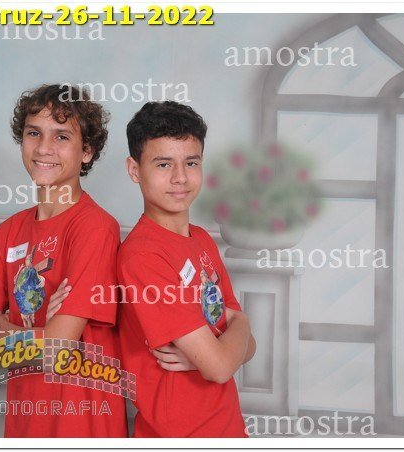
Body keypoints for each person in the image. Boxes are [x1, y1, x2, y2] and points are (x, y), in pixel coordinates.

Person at [0, 84, 127, 438]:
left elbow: (53, 354)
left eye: (61, 137)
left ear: (86, 151)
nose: (44, 147)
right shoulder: (9, 232)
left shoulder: (95, 228)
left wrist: (2, 326)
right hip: (25, 426)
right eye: (34, 133)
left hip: (82, 426)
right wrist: (40, 333)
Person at [117, 101, 256, 437]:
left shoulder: (202, 240)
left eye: (191, 163)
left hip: (228, 428)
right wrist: (236, 329)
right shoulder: (143, 256)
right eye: (163, 164)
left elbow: (248, 347)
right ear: (134, 170)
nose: (180, 177)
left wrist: (217, 350)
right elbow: (221, 366)